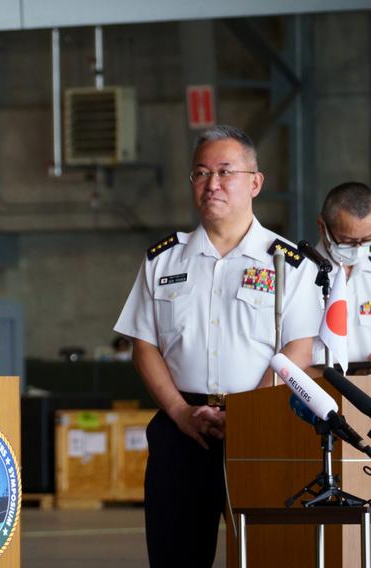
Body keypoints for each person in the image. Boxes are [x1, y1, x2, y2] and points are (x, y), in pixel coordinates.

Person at [113, 125, 321, 567]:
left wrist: (246, 416)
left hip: (263, 426)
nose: (213, 184)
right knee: (176, 556)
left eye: (226, 172)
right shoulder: (163, 260)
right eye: (201, 173)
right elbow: (143, 345)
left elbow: (298, 348)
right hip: (181, 428)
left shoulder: (290, 263)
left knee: (264, 554)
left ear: (255, 182)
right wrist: (180, 413)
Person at [313, 182, 371, 363]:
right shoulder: (298, 272)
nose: (359, 248)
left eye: (368, 239)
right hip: (316, 384)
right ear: (323, 227)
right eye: (348, 241)